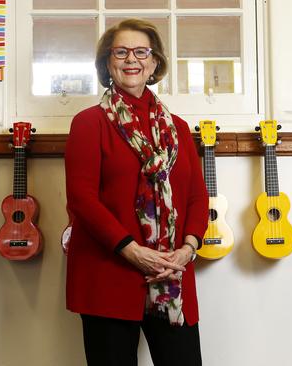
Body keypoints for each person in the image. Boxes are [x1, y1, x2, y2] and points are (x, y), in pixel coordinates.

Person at [64, 18, 209, 366]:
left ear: (155, 62)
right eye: (121, 52)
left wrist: (188, 249)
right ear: (107, 62)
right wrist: (133, 252)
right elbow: (82, 199)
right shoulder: (88, 123)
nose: (132, 60)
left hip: (171, 271)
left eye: (142, 51)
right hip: (107, 273)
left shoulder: (178, 127)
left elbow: (196, 196)